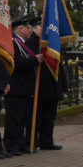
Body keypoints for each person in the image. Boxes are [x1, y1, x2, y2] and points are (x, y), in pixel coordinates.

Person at [30, 17, 67, 150]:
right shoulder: (31, 43)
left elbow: (59, 67)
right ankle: (33, 142)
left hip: (52, 87)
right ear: (34, 29)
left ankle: (47, 141)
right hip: (39, 88)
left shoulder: (52, 43)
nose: (44, 30)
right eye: (41, 27)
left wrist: (63, 87)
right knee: (37, 117)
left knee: (49, 118)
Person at [4, 16, 39, 156]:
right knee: (14, 119)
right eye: (27, 28)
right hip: (16, 87)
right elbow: (16, 61)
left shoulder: (22, 43)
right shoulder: (13, 43)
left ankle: (20, 143)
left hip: (25, 88)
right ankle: (11, 144)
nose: (29, 31)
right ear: (20, 29)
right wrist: (34, 60)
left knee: (23, 119)